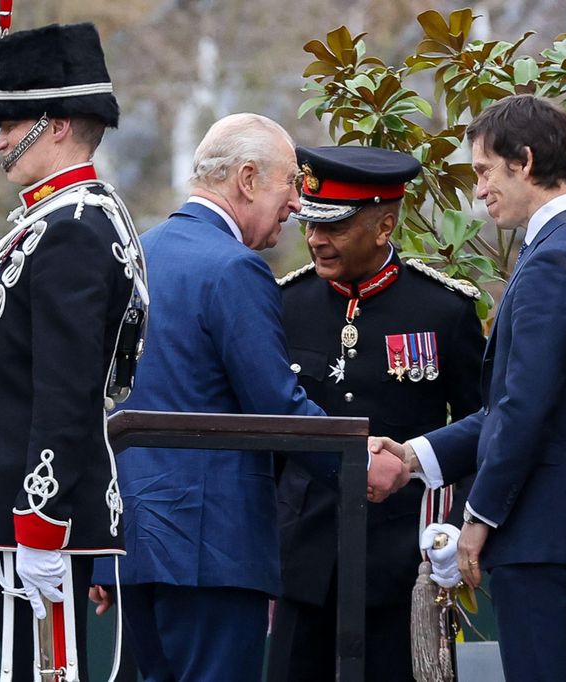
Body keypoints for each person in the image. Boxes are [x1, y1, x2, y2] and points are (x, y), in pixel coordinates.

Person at [99, 114, 410, 682]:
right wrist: (358, 461)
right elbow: (276, 406)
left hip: (132, 543)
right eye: (289, 183)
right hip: (210, 548)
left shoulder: (136, 254)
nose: (296, 203)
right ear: (246, 179)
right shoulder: (234, 267)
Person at [0, 23, 148, 679]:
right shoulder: (60, 219)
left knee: (44, 673)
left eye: (13, 124)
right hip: (12, 507)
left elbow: (67, 391)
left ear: (59, 124)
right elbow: (18, 370)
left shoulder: (72, 228)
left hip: (38, 512)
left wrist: (42, 520)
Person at [371, 94, 566, 682]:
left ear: (525, 160)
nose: (480, 190)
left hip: (544, 526)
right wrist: (414, 456)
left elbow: (524, 406)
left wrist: (480, 515)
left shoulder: (555, 257)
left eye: (486, 171)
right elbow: (526, 402)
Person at [266, 145, 485, 682]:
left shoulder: (443, 309)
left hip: (402, 561)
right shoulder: (286, 303)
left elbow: (482, 427)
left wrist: (454, 531)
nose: (315, 239)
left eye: (335, 226)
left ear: (384, 225)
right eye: (311, 223)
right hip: (304, 559)